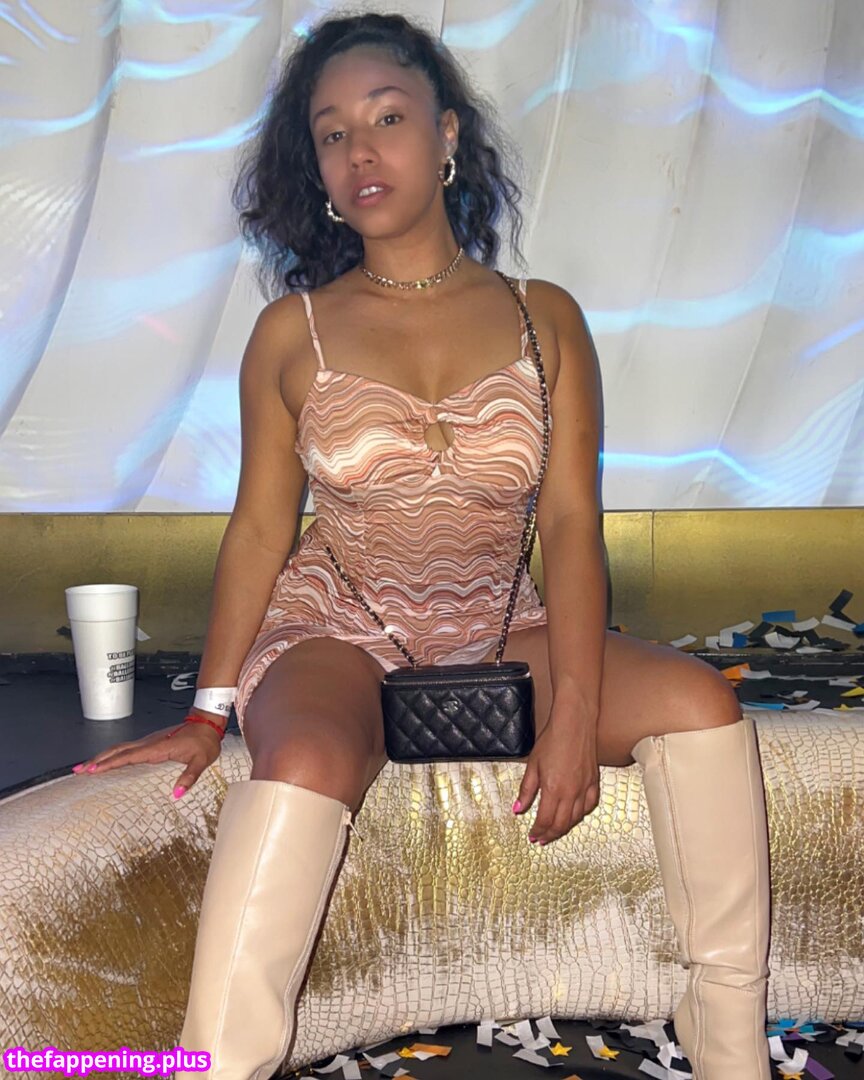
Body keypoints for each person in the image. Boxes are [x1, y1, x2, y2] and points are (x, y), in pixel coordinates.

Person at [73, 11, 772, 1080]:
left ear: (447, 135)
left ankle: (733, 1055)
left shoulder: (545, 318)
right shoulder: (293, 331)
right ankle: (215, 1066)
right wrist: (208, 714)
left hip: (500, 623)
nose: (361, 151)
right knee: (307, 755)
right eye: (332, 134)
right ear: (315, 169)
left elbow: (570, 525)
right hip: (337, 628)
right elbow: (260, 530)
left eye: (387, 119)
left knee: (701, 704)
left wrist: (575, 710)